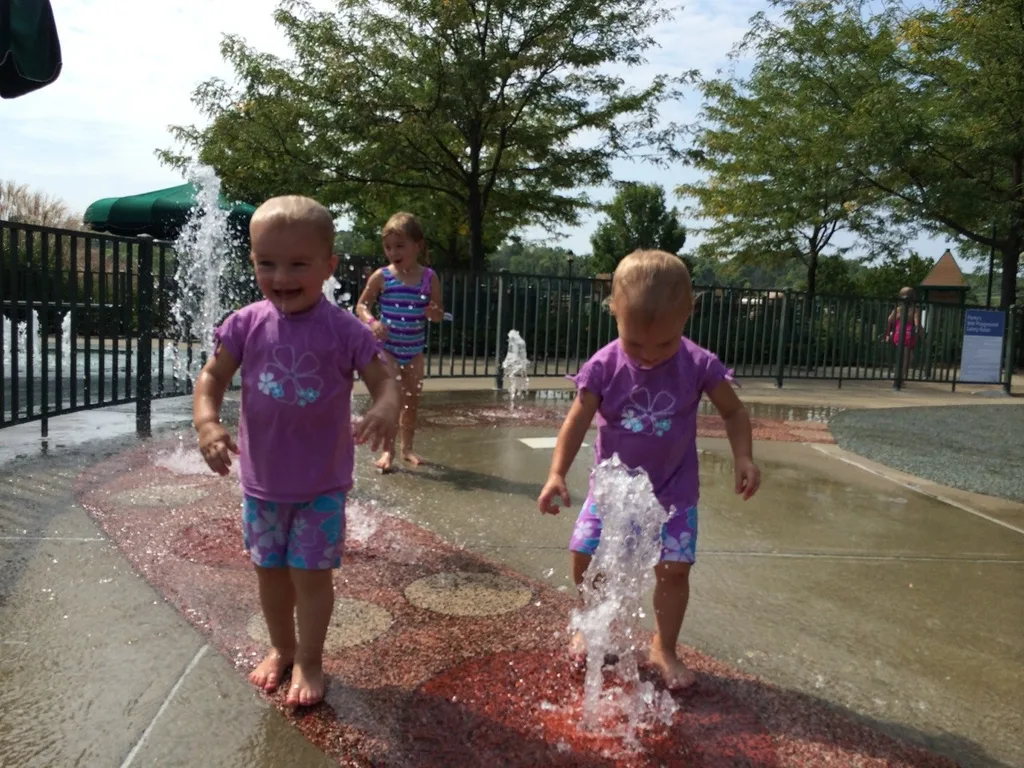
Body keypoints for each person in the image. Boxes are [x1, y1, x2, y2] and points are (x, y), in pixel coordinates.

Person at [193, 195, 400, 707]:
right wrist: (207, 423)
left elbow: (385, 382)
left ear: (329, 267)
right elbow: (212, 377)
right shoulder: (245, 323)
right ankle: (281, 647)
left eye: (297, 264)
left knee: (310, 576)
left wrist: (385, 408)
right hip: (263, 483)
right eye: (267, 263)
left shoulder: (344, 330)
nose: (280, 275)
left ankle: (310, 658)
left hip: (321, 485)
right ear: (253, 262)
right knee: (269, 574)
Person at [537, 249, 761, 690]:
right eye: (635, 343)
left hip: (675, 493)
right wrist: (556, 472)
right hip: (613, 491)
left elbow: (734, 413)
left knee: (674, 570)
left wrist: (744, 456)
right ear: (614, 311)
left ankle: (665, 645)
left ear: (688, 315)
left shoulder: (698, 364)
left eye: (664, 343)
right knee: (585, 554)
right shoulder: (603, 365)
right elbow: (576, 421)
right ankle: (590, 623)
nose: (649, 355)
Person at [356, 212, 444, 471]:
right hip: (389, 350)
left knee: (412, 401)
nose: (393, 251)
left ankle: (407, 448)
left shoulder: (429, 277)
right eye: (388, 247)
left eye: (400, 245)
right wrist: (372, 323)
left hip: (414, 351)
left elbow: (438, 313)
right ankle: (388, 452)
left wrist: (433, 312)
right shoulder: (382, 276)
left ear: (418, 245)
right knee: (392, 401)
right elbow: (361, 305)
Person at [885, 286, 922, 381]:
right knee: (907, 357)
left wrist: (888, 334)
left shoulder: (898, 309)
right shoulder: (914, 310)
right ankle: (900, 377)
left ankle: (900, 375)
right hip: (908, 335)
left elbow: (890, 320)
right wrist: (921, 335)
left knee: (907, 356)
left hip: (898, 333)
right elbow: (917, 324)